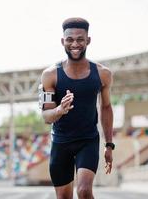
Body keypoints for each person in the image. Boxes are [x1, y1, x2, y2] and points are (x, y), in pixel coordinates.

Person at [39, 17, 114, 199]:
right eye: (70, 39)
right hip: (61, 143)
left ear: (88, 40)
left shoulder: (103, 74)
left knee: (84, 191)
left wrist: (109, 145)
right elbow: (46, 116)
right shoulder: (50, 75)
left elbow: (106, 107)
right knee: (64, 197)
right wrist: (59, 110)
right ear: (63, 41)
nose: (75, 44)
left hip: (87, 141)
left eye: (80, 39)